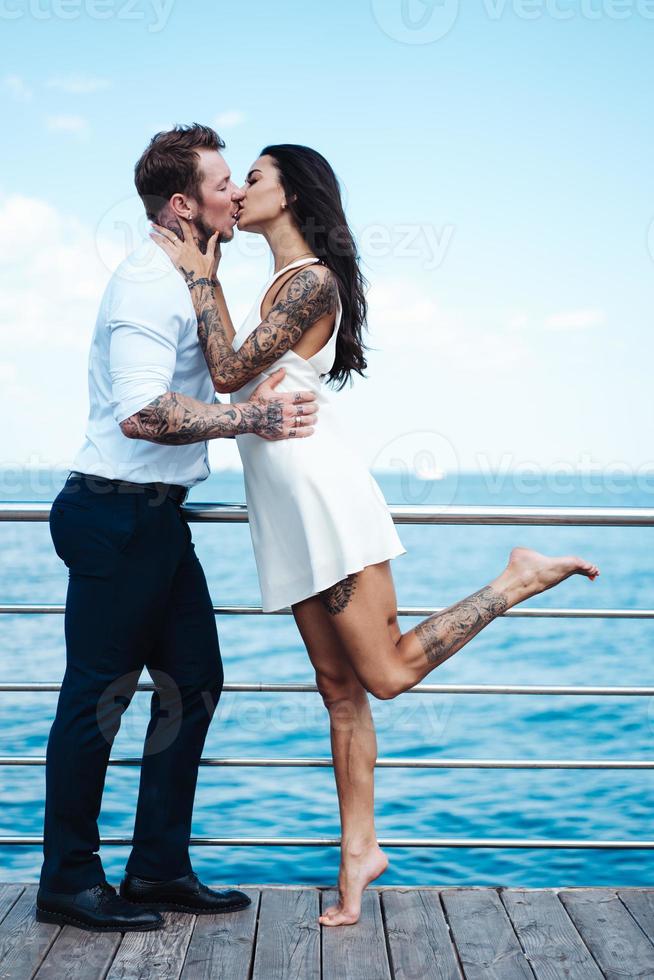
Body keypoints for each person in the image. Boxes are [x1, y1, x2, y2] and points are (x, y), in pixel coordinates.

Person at [152, 143, 600, 927]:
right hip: (284, 514)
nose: (240, 189)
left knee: (385, 679)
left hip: (324, 500)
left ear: (293, 194)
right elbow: (236, 375)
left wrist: (198, 265)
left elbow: (225, 374)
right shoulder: (280, 285)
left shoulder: (313, 281)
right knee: (339, 692)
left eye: (254, 176)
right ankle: (358, 853)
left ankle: (515, 578)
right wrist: (213, 268)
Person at [36, 125, 319, 933]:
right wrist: (253, 417)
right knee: (98, 700)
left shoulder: (190, 274)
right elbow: (142, 412)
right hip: (111, 512)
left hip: (158, 521)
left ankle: (158, 867)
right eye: (224, 183)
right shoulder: (142, 286)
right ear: (180, 204)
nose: (236, 193)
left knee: (194, 683)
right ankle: (68, 879)